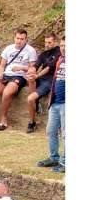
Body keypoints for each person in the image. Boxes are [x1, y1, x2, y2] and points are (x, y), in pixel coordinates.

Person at [37, 37, 65, 172]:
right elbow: (55, 79)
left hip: (66, 103)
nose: (63, 48)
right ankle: (54, 158)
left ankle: (65, 162)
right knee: (51, 131)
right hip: (55, 102)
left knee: (66, 134)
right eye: (62, 46)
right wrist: (51, 98)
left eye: (66, 46)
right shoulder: (60, 60)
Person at [26, 33, 60, 133]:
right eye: (45, 42)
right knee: (31, 74)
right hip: (41, 78)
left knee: (30, 98)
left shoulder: (58, 53)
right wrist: (31, 72)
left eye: (49, 42)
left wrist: (37, 76)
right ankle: (36, 103)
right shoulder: (44, 54)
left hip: (50, 80)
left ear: (55, 42)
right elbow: (36, 65)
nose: (47, 45)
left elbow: (49, 67)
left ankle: (32, 121)